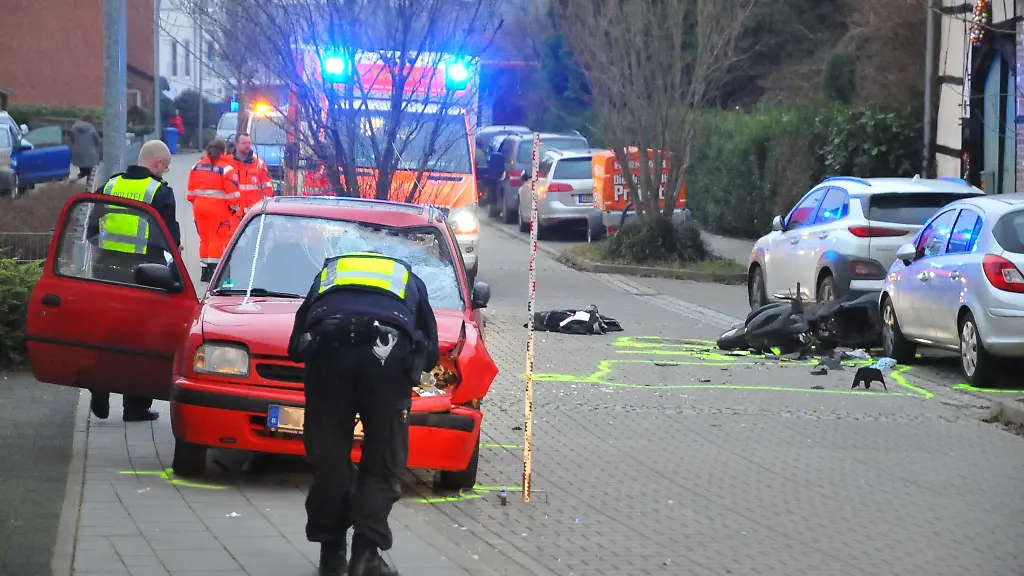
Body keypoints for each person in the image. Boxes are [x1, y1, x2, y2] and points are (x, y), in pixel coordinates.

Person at [287, 250, 439, 576]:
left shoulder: (328, 275)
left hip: (329, 353)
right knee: (383, 459)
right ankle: (365, 556)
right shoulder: (408, 279)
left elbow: (295, 345)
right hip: (387, 356)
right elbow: (431, 352)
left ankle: (332, 554)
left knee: (330, 458)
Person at [88, 139, 180, 422]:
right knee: (141, 339)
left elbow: (92, 229)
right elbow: (171, 240)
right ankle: (135, 406)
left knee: (105, 332)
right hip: (143, 275)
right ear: (157, 163)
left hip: (105, 271)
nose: (165, 172)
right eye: (166, 167)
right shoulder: (159, 193)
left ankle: (99, 387)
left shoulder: (110, 186)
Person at [187, 139, 240, 282]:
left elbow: (190, 194)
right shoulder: (226, 169)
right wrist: (235, 209)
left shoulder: (196, 167)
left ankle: (204, 270)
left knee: (204, 239)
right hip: (218, 209)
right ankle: (214, 271)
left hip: (199, 208)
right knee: (218, 239)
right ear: (224, 151)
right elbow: (233, 196)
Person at [229, 132, 274, 213]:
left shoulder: (259, 164)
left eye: (249, 143)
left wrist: (266, 208)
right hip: (233, 213)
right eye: (244, 143)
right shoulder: (227, 163)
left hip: (253, 214)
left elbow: (267, 188)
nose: (247, 145)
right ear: (236, 144)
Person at [70, 114, 102, 181]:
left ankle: (73, 180)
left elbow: (71, 140)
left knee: (84, 172)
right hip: (90, 154)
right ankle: (88, 189)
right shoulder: (91, 128)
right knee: (90, 174)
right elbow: (98, 140)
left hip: (78, 154)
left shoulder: (74, 127)